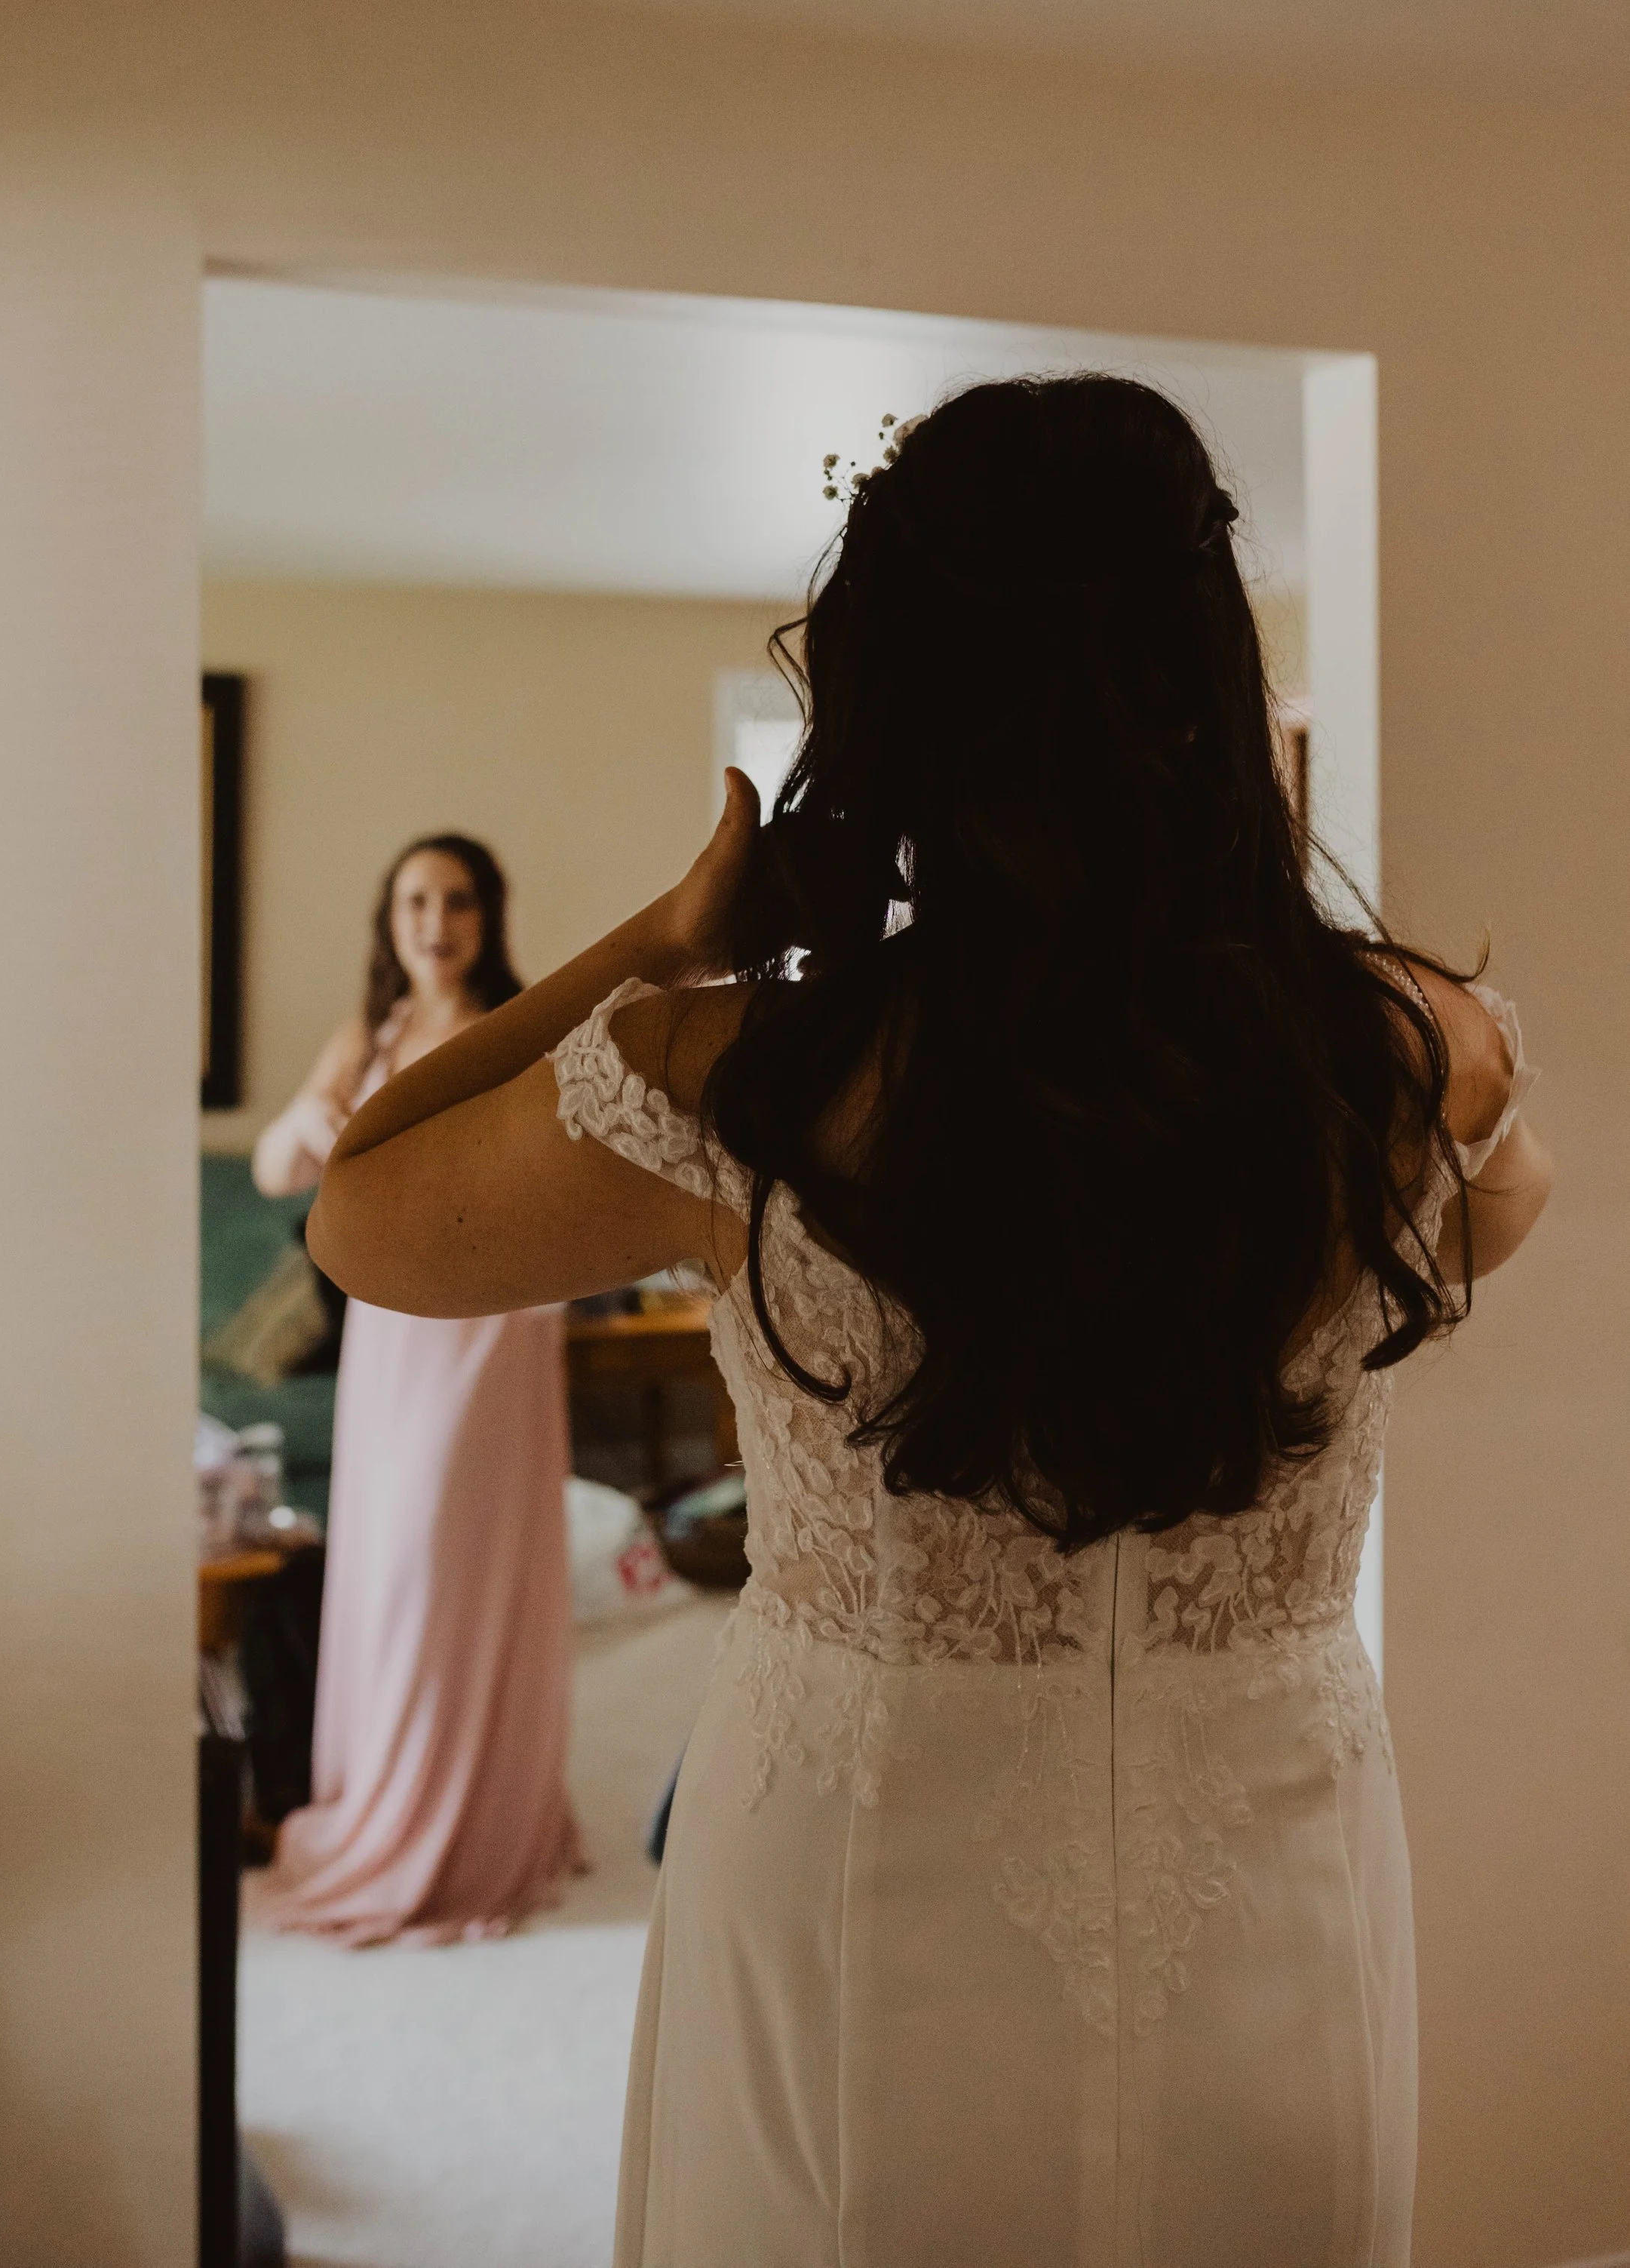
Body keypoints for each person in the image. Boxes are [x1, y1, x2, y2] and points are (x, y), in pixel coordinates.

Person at [306, 380, 1552, 2266]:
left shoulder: (735, 1080)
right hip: (1271, 1872)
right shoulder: (1405, 1053)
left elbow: (360, 1206)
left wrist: (658, 932)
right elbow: (1488, 1231)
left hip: (852, 1883)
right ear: (1206, 688)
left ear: (887, 705)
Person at [251, 834, 582, 1945]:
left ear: (488, 912)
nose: (434, 921)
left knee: (453, 1557)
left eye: (455, 900)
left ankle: (470, 1825)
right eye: (413, 901)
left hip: (487, 1328)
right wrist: (317, 1125)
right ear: (389, 920)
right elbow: (276, 1166)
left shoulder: (520, 1026)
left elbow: (561, 1171)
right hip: (392, 1335)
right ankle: (389, 1797)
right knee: (391, 1565)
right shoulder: (371, 1035)